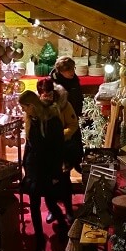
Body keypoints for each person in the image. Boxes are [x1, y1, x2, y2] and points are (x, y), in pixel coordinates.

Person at [18, 90, 67, 251]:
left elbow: (58, 148)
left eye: (25, 108)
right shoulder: (31, 120)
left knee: (51, 202)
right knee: (34, 204)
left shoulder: (52, 121)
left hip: (48, 167)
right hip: (34, 168)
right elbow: (30, 145)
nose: (24, 111)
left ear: (32, 105)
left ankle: (63, 225)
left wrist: (56, 172)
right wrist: (25, 164)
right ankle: (39, 241)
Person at [37, 78, 80, 222]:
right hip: (46, 150)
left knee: (64, 180)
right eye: (44, 95)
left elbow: (73, 124)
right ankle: (52, 209)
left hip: (62, 148)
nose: (47, 98)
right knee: (48, 181)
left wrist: (61, 136)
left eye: (49, 94)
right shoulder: (38, 106)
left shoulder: (64, 104)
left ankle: (68, 209)